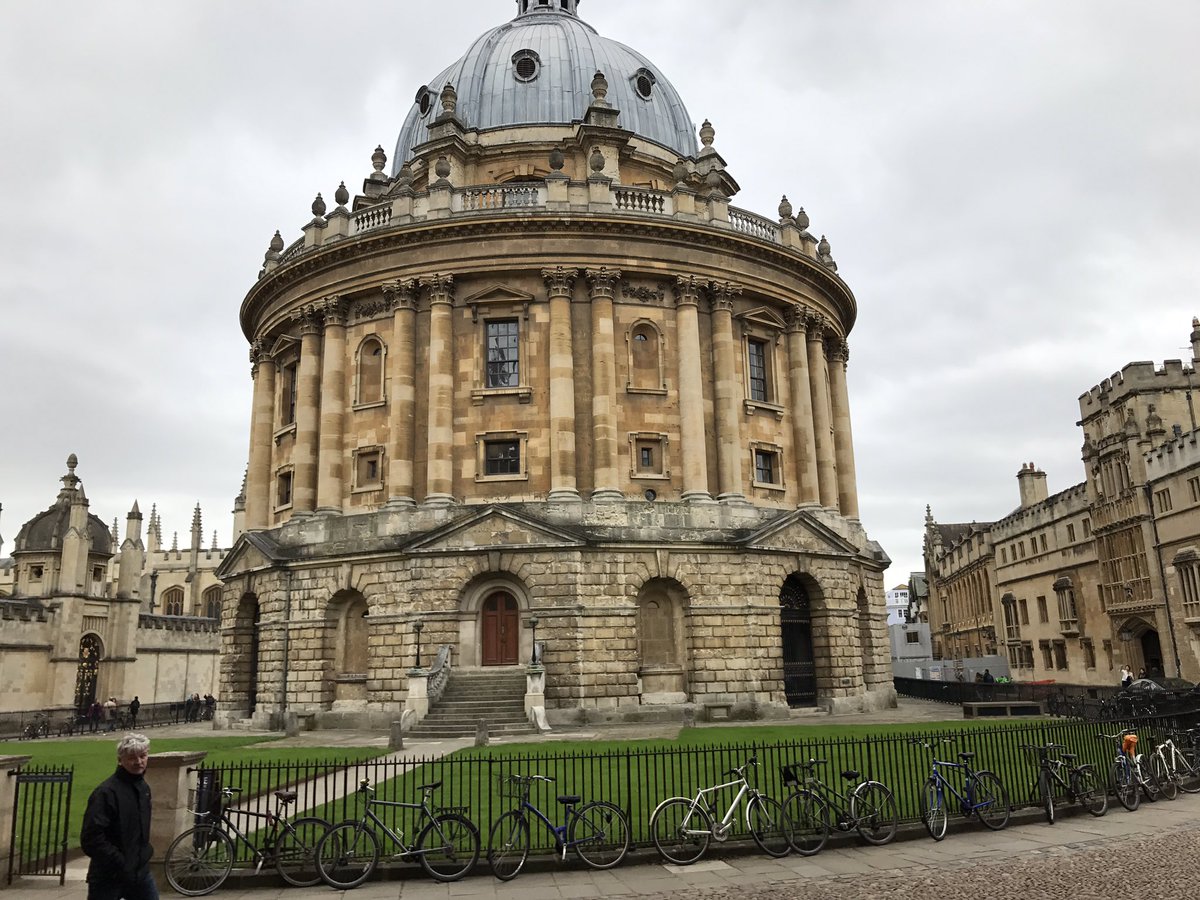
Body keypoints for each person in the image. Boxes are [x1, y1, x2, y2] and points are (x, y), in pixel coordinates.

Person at [80, 733, 157, 900]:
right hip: (109, 876)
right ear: (120, 760)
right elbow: (91, 839)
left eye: (143, 756)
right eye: (132, 758)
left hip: (140, 873)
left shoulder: (143, 788)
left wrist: (143, 855)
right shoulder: (106, 793)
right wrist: (120, 861)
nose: (138, 762)